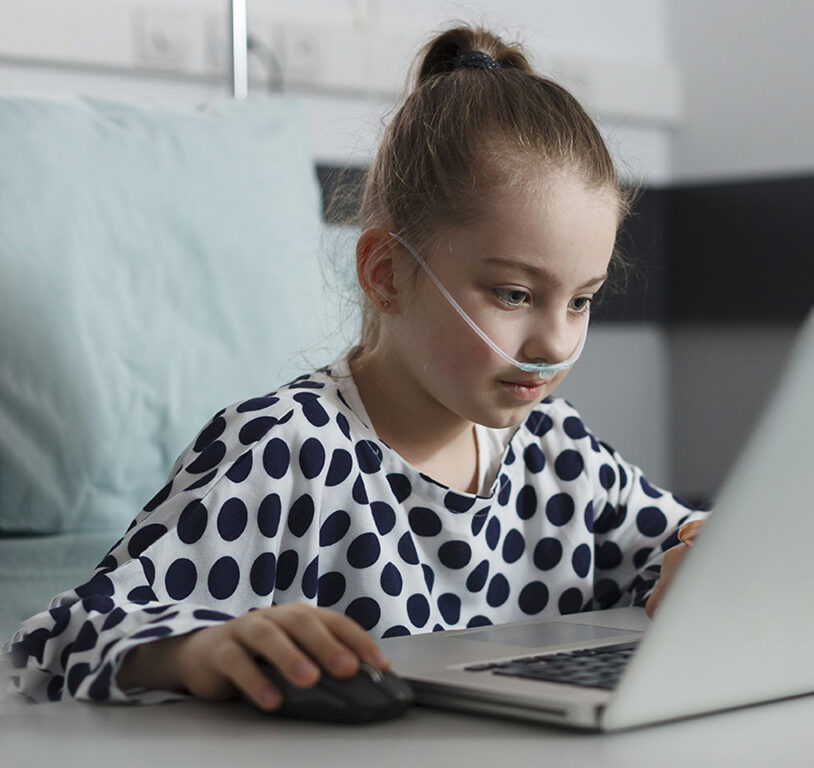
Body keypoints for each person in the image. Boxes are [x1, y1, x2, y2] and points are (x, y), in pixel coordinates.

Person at [3, 25, 707, 710]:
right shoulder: (284, 452)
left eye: (581, 300)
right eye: (514, 294)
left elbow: (673, 543)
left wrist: (705, 558)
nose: (555, 343)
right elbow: (55, 643)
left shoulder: (559, 453)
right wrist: (193, 652)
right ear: (386, 273)